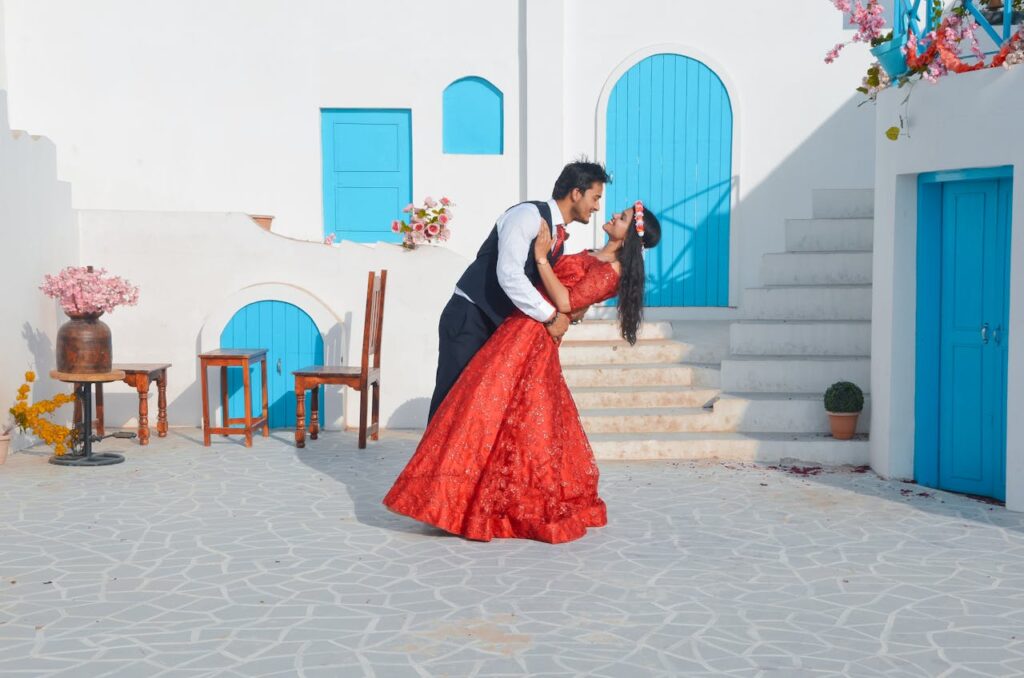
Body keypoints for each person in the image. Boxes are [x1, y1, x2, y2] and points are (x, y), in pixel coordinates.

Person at [384, 202, 662, 543]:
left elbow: (564, 300)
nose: (610, 214)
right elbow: (573, 307)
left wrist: (543, 258)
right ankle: (449, 498)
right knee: (484, 411)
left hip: (532, 337)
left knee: (494, 411)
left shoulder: (612, 271)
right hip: (519, 326)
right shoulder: (593, 254)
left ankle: (478, 502)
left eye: (620, 218)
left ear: (628, 239)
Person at [427, 160, 611, 421]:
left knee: (476, 410)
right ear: (576, 193)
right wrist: (550, 316)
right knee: (450, 402)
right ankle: (430, 463)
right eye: (595, 197)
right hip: (470, 316)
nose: (597, 206)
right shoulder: (527, 216)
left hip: (497, 325)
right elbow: (510, 274)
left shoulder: (557, 235)